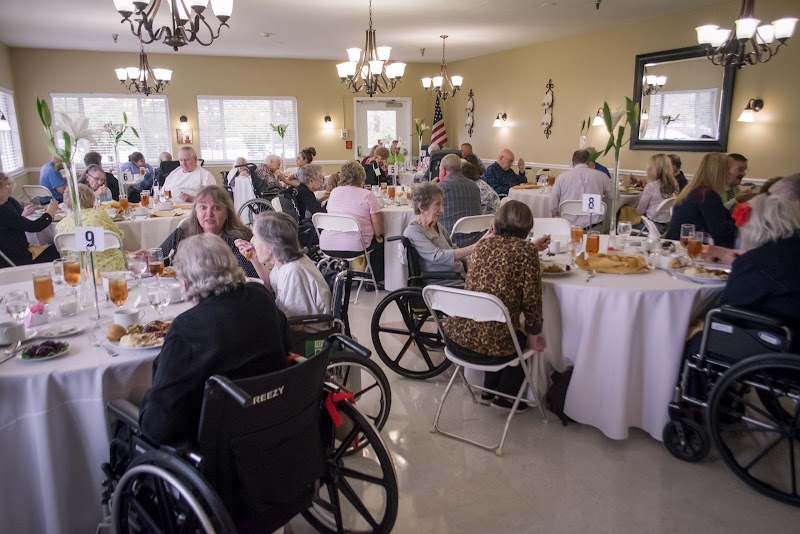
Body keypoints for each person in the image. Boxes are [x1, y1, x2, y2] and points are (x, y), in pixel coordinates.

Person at [139, 233, 292, 445]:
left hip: (218, 448)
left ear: (184, 282)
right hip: (273, 426)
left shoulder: (187, 327)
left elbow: (159, 428)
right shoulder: (261, 297)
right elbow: (286, 348)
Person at [443, 200, 548, 412]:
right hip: (492, 349)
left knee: (492, 324)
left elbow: (504, 256)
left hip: (457, 340)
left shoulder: (482, 245)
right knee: (514, 336)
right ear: (528, 227)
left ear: (497, 222)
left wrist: (530, 248)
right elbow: (532, 302)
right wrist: (533, 337)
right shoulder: (526, 252)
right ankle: (506, 398)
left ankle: (489, 390)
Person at [237, 211, 331, 318]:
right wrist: (253, 256)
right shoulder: (284, 263)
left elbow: (294, 323)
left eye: (255, 237)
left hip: (307, 331)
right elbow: (270, 285)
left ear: (269, 246)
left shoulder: (294, 271)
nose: (252, 241)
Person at [156, 185, 258, 278]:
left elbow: (253, 279)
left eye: (216, 208)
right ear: (196, 212)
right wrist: (146, 257)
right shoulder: (182, 233)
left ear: (227, 213)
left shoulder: (239, 239)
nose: (209, 214)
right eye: (203, 207)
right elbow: (157, 259)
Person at [403, 182, 488, 282]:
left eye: (442, 204)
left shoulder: (437, 226)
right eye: (437, 204)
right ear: (422, 207)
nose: (442, 210)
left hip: (459, 278)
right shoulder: (413, 231)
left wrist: (467, 260)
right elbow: (437, 256)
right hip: (446, 283)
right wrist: (474, 247)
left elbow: (452, 247)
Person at [320, 161, 384, 286]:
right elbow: (378, 230)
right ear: (362, 176)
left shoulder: (334, 192)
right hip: (355, 246)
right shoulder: (368, 195)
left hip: (327, 244)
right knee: (381, 240)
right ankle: (374, 281)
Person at [666, 153, 736, 248]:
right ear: (719, 172)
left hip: (673, 243)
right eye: (728, 170)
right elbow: (721, 232)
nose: (730, 174)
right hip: (688, 248)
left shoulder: (693, 190)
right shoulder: (707, 195)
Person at [55, 184, 126, 272]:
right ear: (92, 198)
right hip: (112, 267)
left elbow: (65, 254)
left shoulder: (61, 225)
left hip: (78, 271)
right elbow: (119, 237)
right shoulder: (100, 214)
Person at [0, 172, 60, 267]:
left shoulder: (8, 205)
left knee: (47, 246)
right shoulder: (3, 212)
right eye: (5, 187)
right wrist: (49, 213)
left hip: (13, 253)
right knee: (54, 251)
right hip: (13, 259)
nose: (8, 190)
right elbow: (34, 227)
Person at [549, 149, 611, 229]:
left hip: (568, 229)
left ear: (572, 162)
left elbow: (552, 206)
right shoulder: (602, 176)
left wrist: (558, 220)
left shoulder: (562, 177)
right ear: (589, 161)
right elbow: (614, 196)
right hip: (594, 230)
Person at [435, 154, 481, 242]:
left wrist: (431, 186)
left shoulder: (439, 188)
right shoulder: (474, 187)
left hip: (449, 241)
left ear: (443, 171)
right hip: (474, 241)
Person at [634, 153, 679, 234]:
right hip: (667, 226)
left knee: (621, 226)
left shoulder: (651, 186)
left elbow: (639, 211)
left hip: (650, 226)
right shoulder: (674, 185)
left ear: (652, 169)